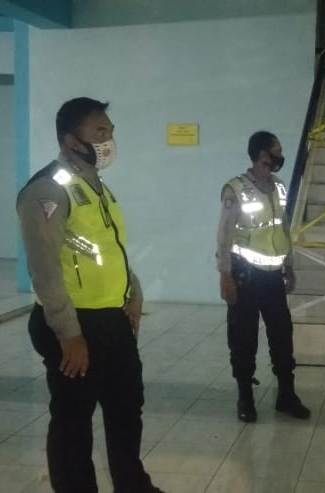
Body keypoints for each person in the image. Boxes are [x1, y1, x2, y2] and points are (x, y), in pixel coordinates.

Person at [17, 98, 163, 492]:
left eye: (110, 131)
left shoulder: (96, 186)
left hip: (110, 319)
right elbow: (45, 270)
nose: (109, 139)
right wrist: (69, 334)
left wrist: (133, 291)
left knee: (126, 407)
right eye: (100, 131)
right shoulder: (47, 190)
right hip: (74, 323)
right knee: (73, 419)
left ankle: (133, 485)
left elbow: (107, 249)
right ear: (70, 140)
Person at [216, 130, 310, 423]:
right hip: (244, 275)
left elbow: (283, 228)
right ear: (261, 155)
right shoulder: (236, 189)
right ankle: (245, 396)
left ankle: (286, 394)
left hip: (273, 278)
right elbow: (224, 235)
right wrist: (225, 275)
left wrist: (289, 265)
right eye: (276, 151)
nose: (281, 156)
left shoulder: (279, 187)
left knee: (282, 335)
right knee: (243, 338)